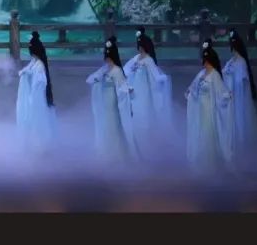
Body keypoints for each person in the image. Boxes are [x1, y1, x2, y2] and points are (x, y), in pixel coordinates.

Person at [184, 39, 234, 173]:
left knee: (208, 133)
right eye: (203, 59)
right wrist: (189, 93)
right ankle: (200, 162)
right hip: (199, 109)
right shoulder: (201, 74)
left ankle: (210, 163)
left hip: (209, 109)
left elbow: (221, 92)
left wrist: (227, 96)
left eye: (206, 59)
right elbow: (193, 87)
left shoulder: (215, 75)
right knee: (199, 132)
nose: (204, 62)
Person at [86, 36, 138, 162]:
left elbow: (123, 85)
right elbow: (90, 79)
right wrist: (97, 80)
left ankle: (117, 154)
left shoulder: (117, 70)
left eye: (109, 58)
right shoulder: (105, 69)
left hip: (112, 100)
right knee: (106, 125)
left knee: (113, 123)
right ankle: (107, 152)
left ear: (112, 57)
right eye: (106, 58)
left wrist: (128, 90)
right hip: (105, 99)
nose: (107, 60)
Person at [124, 27, 174, 157]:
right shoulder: (136, 58)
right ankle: (136, 144)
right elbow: (127, 70)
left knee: (144, 114)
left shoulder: (148, 60)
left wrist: (165, 78)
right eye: (139, 46)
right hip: (135, 89)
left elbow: (156, 76)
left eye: (142, 46)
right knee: (135, 113)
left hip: (144, 92)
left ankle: (147, 145)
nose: (140, 48)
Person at [223, 29, 257, 162]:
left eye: (233, 44)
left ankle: (241, 147)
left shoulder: (241, 62)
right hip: (230, 96)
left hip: (237, 97)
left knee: (239, 119)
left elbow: (242, 81)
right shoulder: (231, 61)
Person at [16, 31, 57, 154]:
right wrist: (24, 73)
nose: (32, 56)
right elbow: (28, 70)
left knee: (38, 121)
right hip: (33, 96)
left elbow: (40, 83)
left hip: (37, 98)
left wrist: (33, 96)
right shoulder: (34, 62)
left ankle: (40, 147)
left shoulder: (40, 66)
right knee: (32, 122)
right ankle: (34, 146)